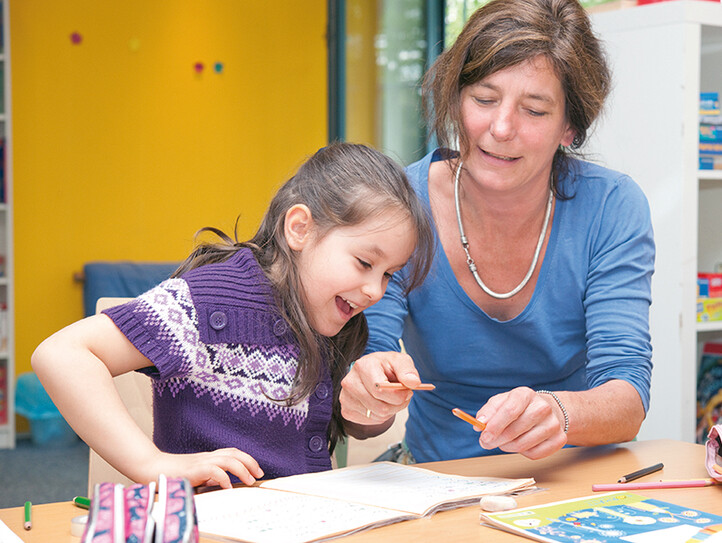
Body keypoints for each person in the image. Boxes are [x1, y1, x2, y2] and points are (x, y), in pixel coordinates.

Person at [339, 0, 655, 464]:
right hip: (437, 478)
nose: (501, 128)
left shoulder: (612, 207)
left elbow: (627, 395)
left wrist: (559, 413)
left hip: (575, 482)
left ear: (569, 127)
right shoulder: (399, 203)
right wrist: (368, 391)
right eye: (484, 99)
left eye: (534, 110)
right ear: (455, 99)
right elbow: (365, 400)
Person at [31, 142, 434, 488]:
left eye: (388, 275)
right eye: (365, 262)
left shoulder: (334, 313)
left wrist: (372, 407)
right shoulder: (211, 302)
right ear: (299, 229)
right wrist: (150, 463)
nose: (375, 291)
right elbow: (62, 353)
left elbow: (341, 424)